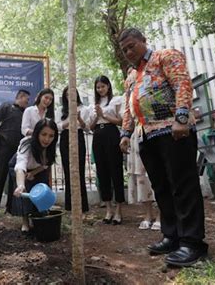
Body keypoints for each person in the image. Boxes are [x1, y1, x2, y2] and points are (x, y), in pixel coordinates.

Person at [119, 28, 207, 267]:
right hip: (147, 135)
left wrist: (181, 117)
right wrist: (125, 133)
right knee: (161, 188)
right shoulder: (130, 76)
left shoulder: (165, 56)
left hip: (173, 130)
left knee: (183, 185)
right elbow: (129, 107)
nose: (128, 51)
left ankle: (192, 243)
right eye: (124, 49)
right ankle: (172, 235)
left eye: (131, 45)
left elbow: (182, 84)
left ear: (143, 41)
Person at [88, 75, 125, 225]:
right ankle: (108, 209)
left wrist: (104, 116)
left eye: (103, 86)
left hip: (112, 134)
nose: (100, 89)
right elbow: (90, 127)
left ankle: (119, 210)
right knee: (102, 172)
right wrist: (97, 117)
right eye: (98, 87)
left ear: (108, 86)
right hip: (97, 136)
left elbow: (121, 121)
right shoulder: (93, 105)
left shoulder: (116, 100)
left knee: (115, 171)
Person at [0, 89, 30, 216]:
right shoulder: (6, 106)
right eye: (26, 100)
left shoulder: (26, 113)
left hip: (19, 150)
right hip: (5, 146)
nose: (27, 103)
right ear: (20, 97)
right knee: (0, 176)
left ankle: (11, 208)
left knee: (15, 178)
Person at [12, 119, 59, 233]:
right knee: (25, 193)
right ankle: (25, 221)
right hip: (21, 170)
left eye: (51, 136)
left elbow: (46, 164)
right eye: (43, 134)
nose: (47, 139)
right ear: (37, 133)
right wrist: (21, 185)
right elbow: (20, 165)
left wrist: (33, 173)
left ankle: (40, 216)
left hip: (38, 169)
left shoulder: (52, 146)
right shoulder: (26, 143)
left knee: (41, 191)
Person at [57, 86, 89, 212]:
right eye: (67, 94)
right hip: (65, 137)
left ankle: (83, 205)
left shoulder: (84, 108)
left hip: (79, 136)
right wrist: (70, 118)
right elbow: (58, 126)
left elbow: (87, 128)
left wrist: (79, 118)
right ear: (65, 97)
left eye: (73, 93)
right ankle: (70, 206)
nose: (71, 96)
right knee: (67, 170)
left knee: (80, 170)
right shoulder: (60, 110)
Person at [127, 131, 161, 231]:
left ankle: (161, 215)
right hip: (138, 135)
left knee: (159, 174)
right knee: (141, 177)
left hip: (157, 131)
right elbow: (127, 119)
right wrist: (124, 135)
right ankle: (148, 214)